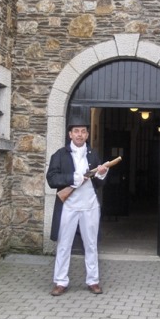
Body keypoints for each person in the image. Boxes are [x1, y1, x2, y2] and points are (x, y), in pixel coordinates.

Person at [46, 118, 108, 296]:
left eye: (83, 131)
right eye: (76, 131)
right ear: (70, 134)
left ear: (87, 135)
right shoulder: (59, 155)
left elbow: (99, 183)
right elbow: (52, 179)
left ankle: (93, 280)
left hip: (90, 206)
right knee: (64, 245)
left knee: (91, 245)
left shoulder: (93, 155)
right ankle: (60, 281)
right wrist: (72, 178)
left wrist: (102, 173)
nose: (80, 135)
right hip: (68, 206)